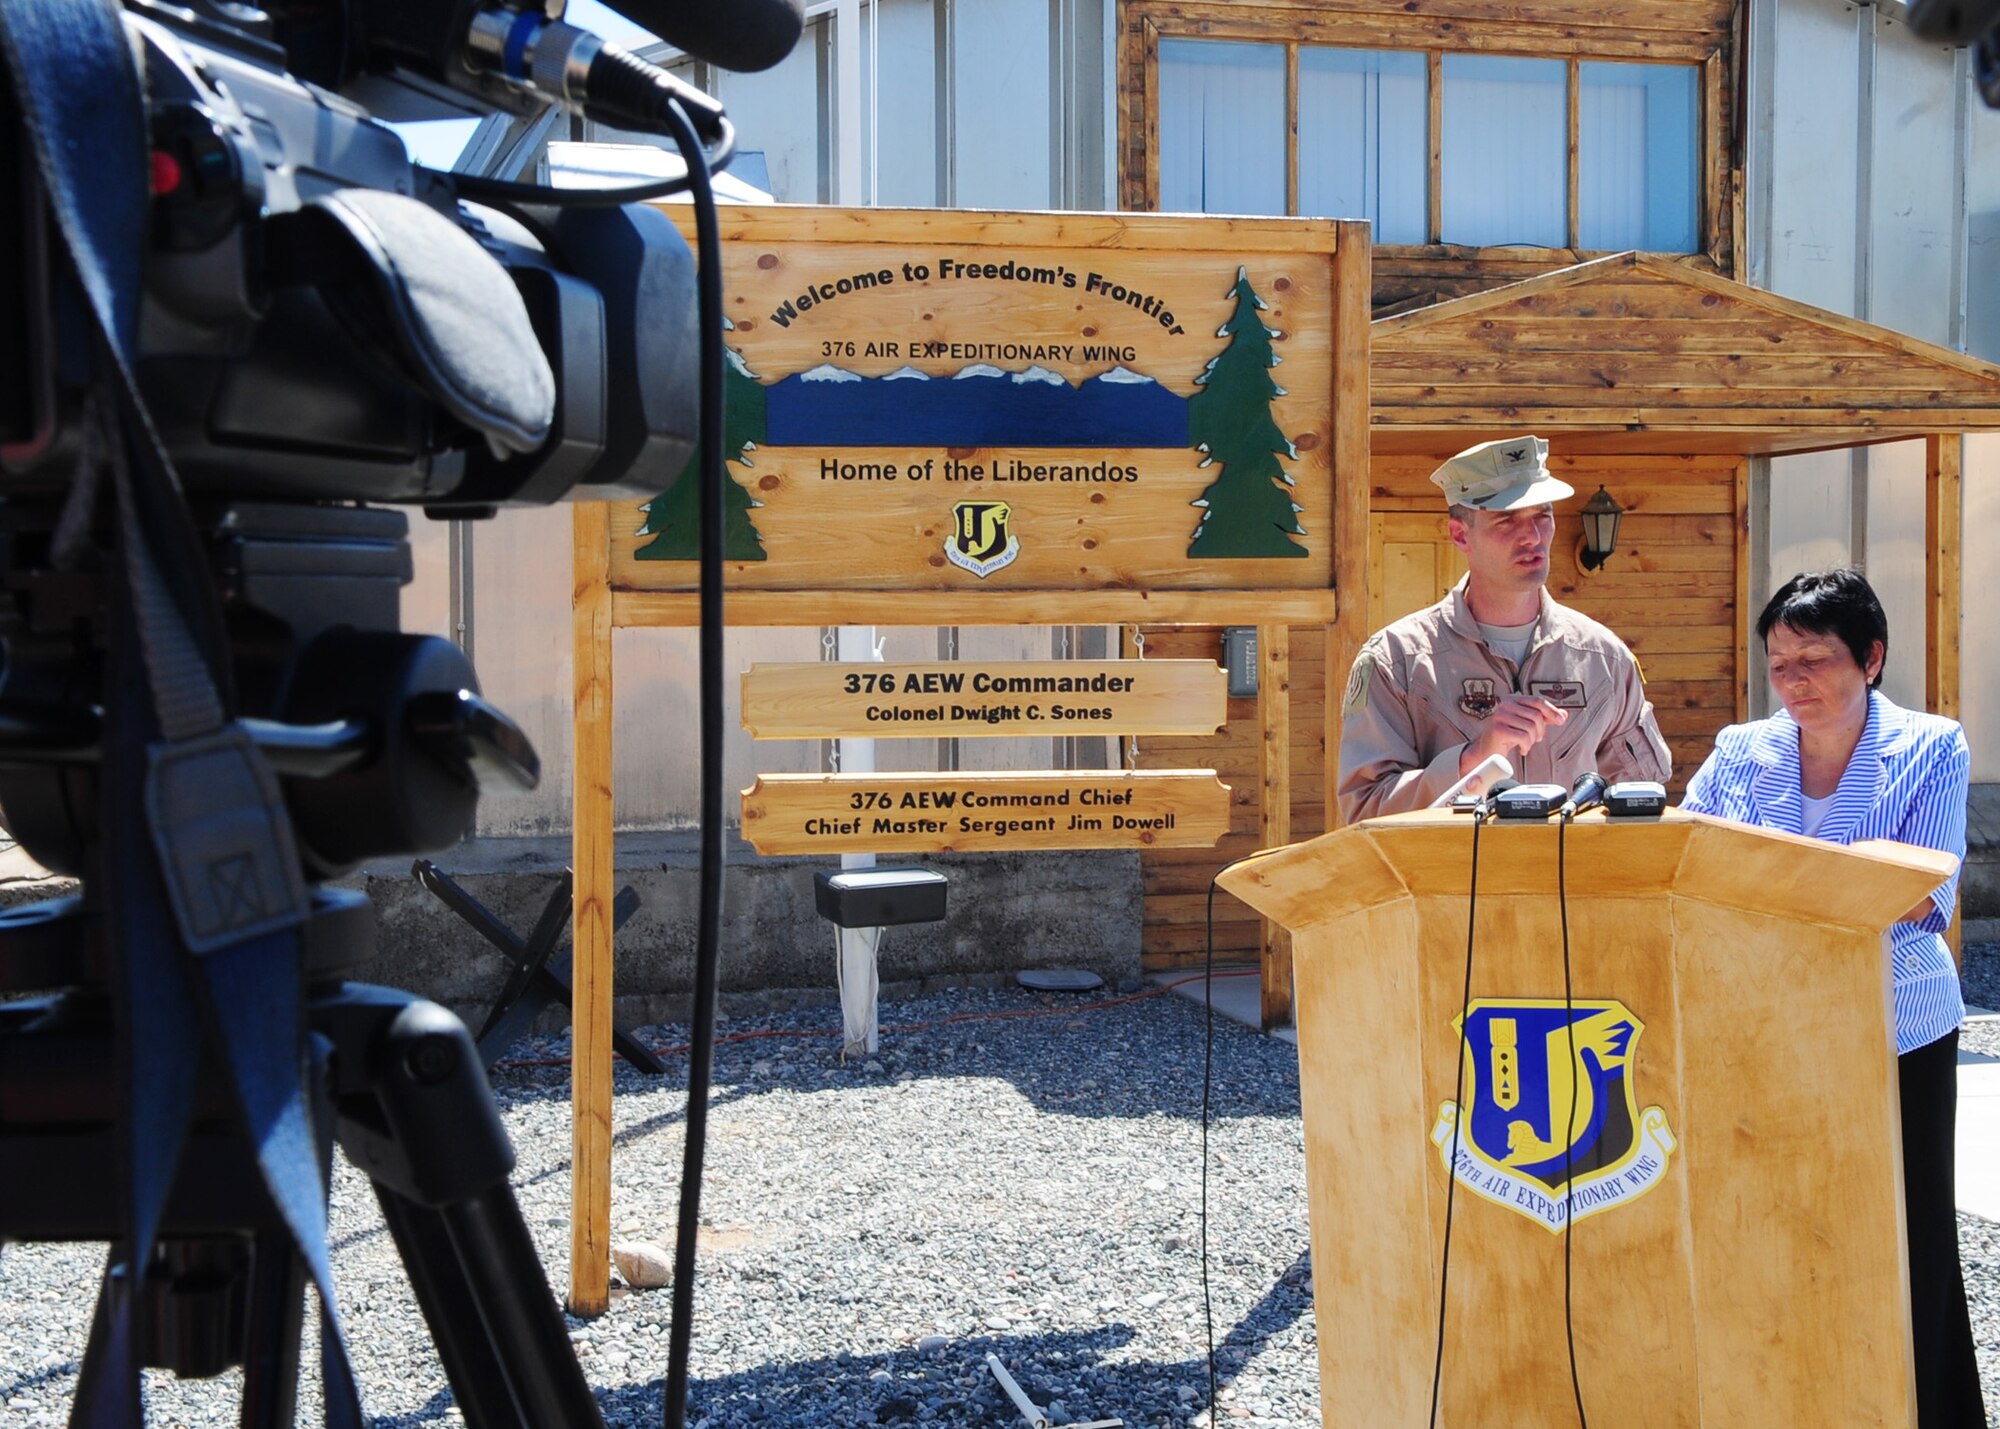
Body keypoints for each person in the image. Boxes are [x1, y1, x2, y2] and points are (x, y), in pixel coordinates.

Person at [1679, 568, 1982, 1428]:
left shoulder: (1934, 745)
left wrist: (1772, 885)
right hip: (1761, 1026)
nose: (1795, 681)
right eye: (1780, 664)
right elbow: (1689, 860)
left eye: (1815, 659)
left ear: (1873, 658)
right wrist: (1838, 880)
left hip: (1899, 1026)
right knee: (1775, 1222)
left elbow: (1922, 896)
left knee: (1909, 1229)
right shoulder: (1740, 748)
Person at [1336, 434, 1672, 823]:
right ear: (1461, 535)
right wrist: (1473, 759)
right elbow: (1364, 811)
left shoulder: (1604, 659)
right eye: (1507, 520)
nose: (1532, 537)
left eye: (1542, 516)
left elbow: (1644, 806)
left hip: (1571, 880)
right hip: (1452, 882)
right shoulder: (1397, 660)